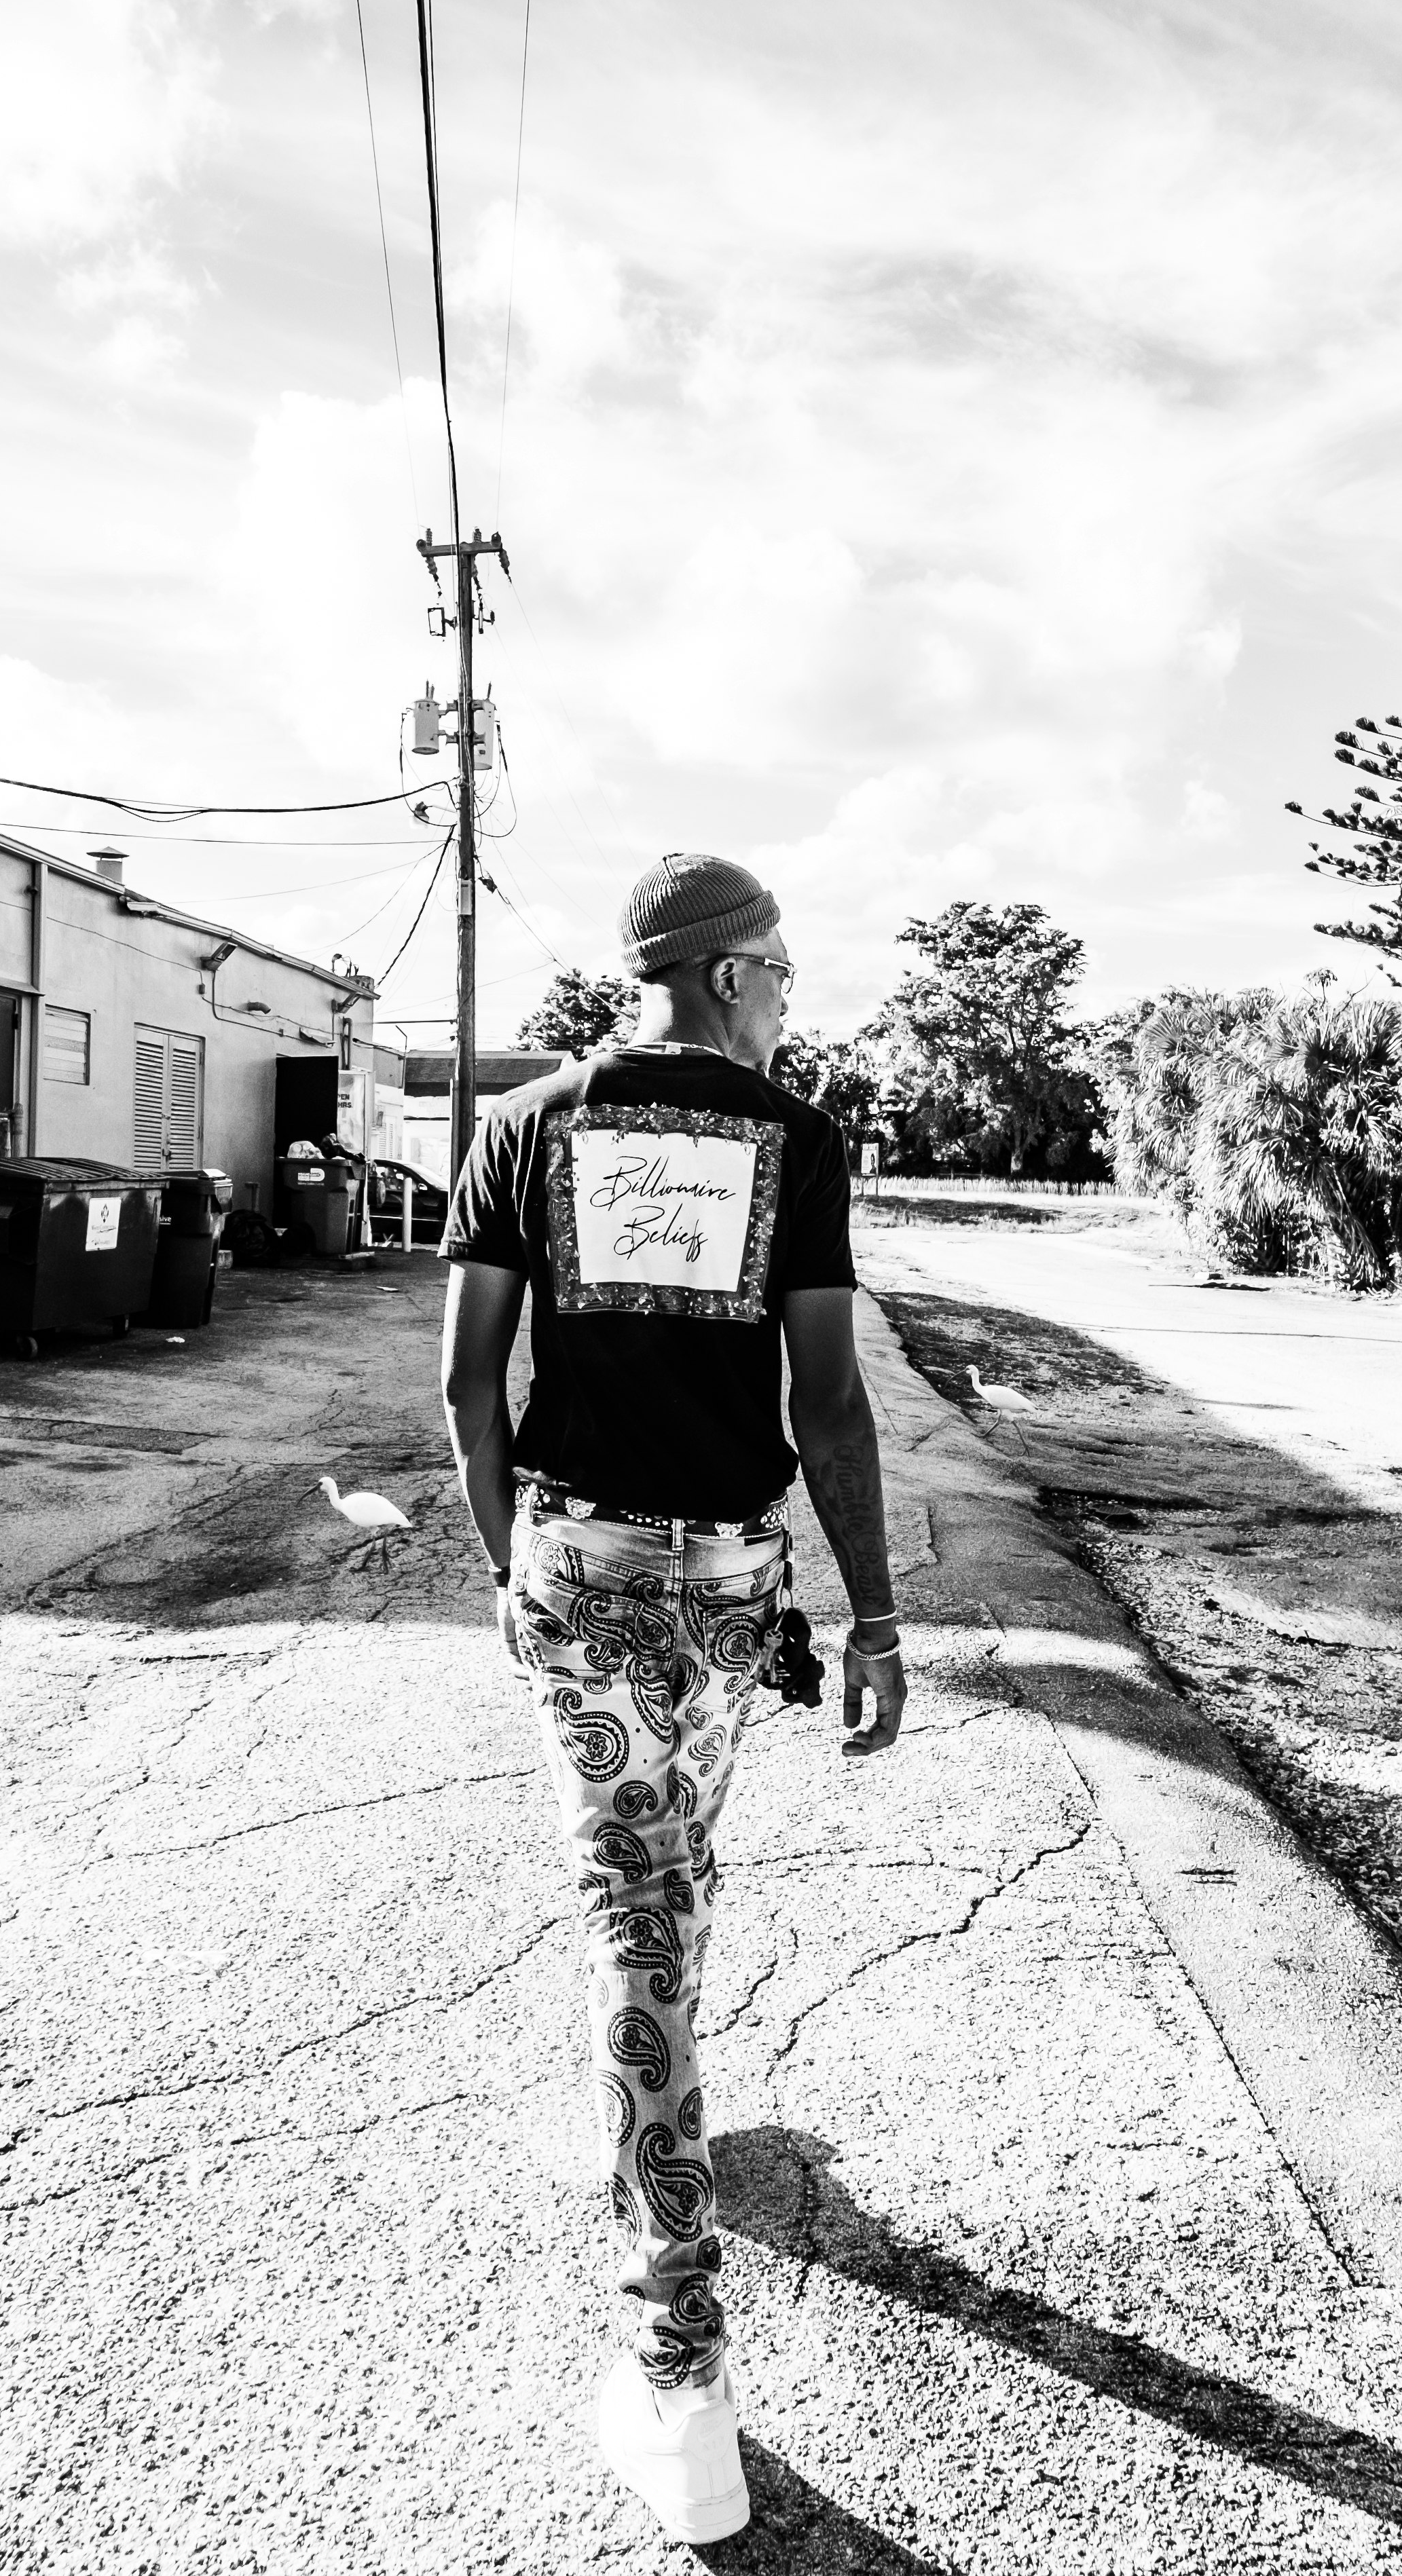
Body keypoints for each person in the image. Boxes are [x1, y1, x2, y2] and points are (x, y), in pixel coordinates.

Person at [441, 850, 905, 2547]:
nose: (788, 999)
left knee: (648, 1902)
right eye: (779, 971)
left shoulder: (525, 1124)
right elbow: (833, 1406)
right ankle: (679, 2358)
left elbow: (464, 1384)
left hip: (578, 1564)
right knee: (653, 1907)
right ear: (723, 974)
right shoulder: (795, 1144)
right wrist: (876, 1623)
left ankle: (666, 2148)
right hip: (721, 1581)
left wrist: (515, 1569)